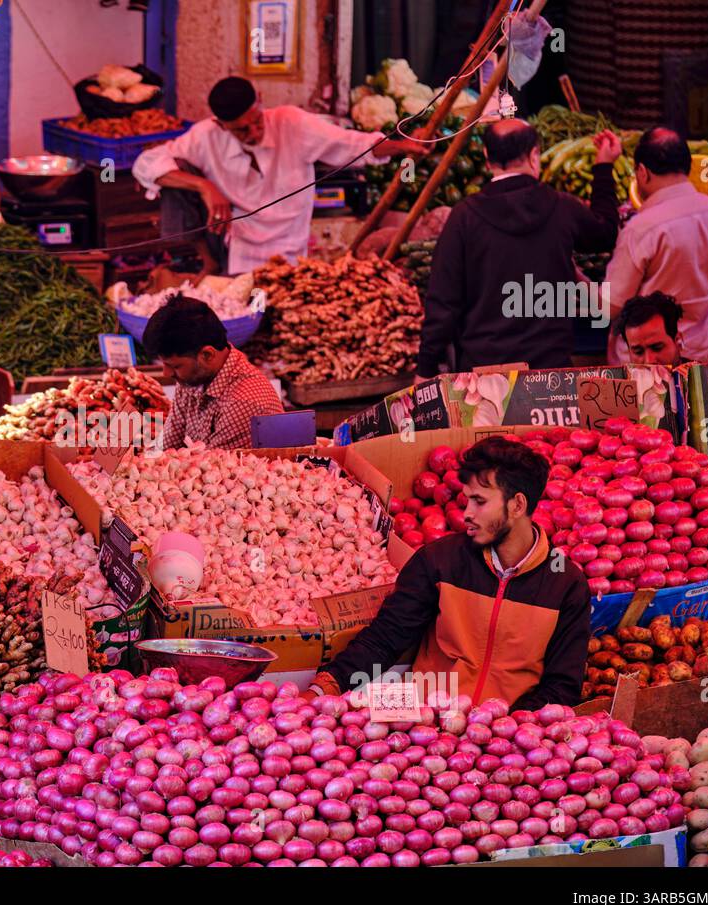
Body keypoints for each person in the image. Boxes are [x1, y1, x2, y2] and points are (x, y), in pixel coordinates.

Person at [309, 437, 590, 709]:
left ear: (517, 505)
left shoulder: (565, 585)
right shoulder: (440, 560)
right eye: (467, 500)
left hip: (506, 736)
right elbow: (385, 638)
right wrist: (325, 687)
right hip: (424, 717)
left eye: (479, 501)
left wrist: (504, 729)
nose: (467, 513)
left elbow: (562, 688)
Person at [132, 76, 427, 275]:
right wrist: (205, 186)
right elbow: (146, 163)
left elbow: (355, 145)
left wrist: (403, 145)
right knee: (173, 176)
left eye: (256, 121)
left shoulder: (292, 122)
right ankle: (204, 264)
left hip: (287, 249)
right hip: (235, 247)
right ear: (221, 125)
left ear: (260, 102)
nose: (254, 133)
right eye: (241, 130)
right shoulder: (206, 136)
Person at [418, 119, 622, 377]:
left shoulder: (464, 217)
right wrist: (603, 167)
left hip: (485, 379)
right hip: (551, 375)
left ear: (486, 157)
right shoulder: (562, 207)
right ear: (534, 154)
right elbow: (605, 234)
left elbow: (443, 301)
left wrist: (425, 368)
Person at [605, 127, 708, 366]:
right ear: (688, 167)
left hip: (651, 365)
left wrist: (578, 279)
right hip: (707, 361)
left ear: (642, 172)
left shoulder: (641, 228)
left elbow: (611, 307)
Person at [144, 295, 283, 450]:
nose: (166, 373)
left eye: (175, 366)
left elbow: (211, 469)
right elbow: (167, 444)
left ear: (207, 355)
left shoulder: (243, 402)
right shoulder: (191, 379)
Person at [616, 291, 684, 367]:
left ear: (678, 342)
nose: (649, 361)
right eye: (638, 352)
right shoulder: (618, 378)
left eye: (657, 348)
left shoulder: (698, 376)